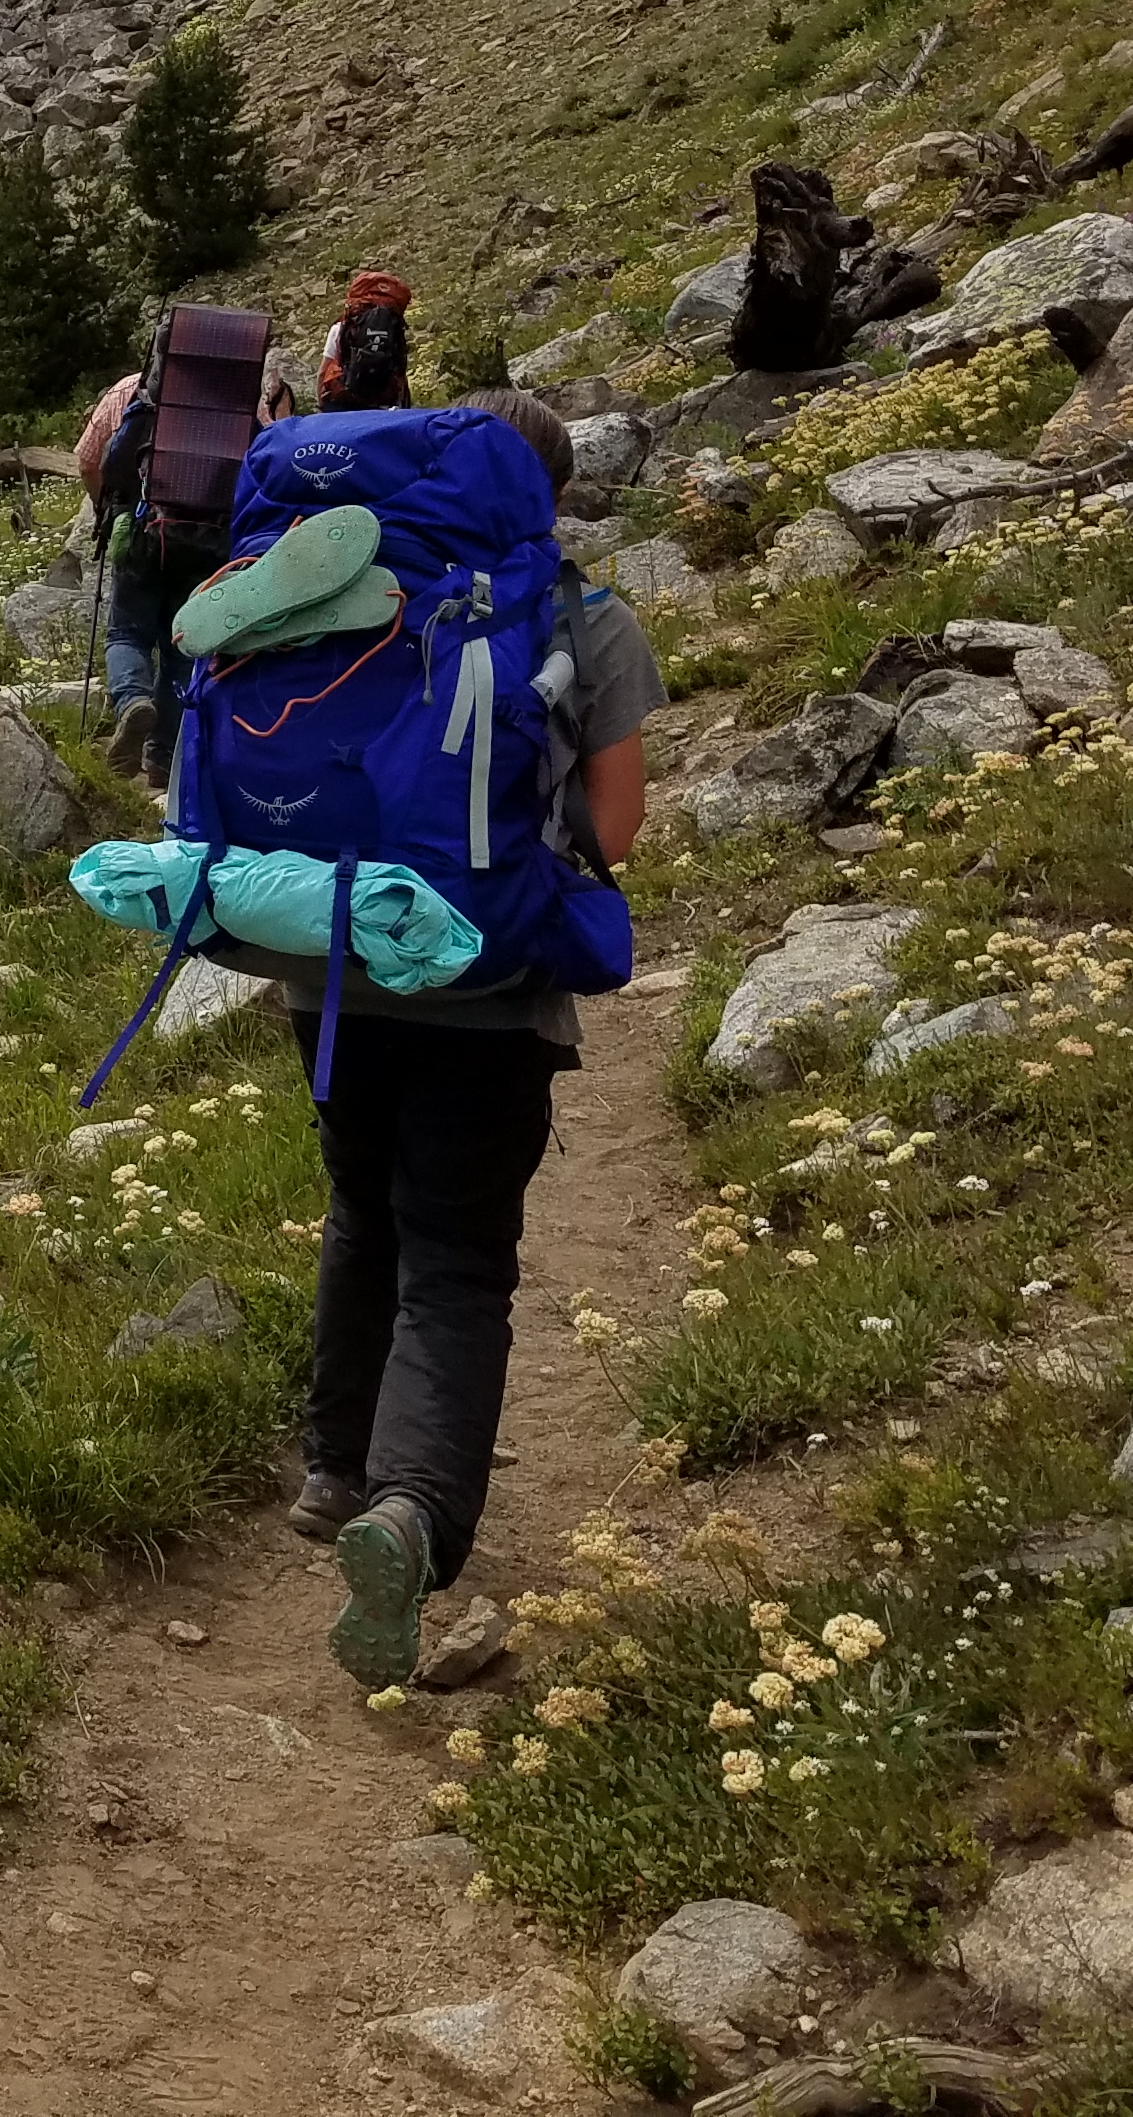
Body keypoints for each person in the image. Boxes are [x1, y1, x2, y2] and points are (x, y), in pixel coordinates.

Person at [291, 387, 658, 1688]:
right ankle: (413, 1510)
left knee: (361, 1211)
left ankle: (334, 1468)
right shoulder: (584, 619)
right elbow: (611, 835)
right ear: (550, 492)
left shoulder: (354, 594)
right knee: (456, 1259)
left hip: (330, 973)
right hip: (491, 996)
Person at [75, 347, 293, 786]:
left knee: (127, 632)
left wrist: (107, 508)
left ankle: (133, 700)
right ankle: (162, 759)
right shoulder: (236, 405)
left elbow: (88, 459)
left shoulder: (129, 392)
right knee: (181, 646)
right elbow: (264, 460)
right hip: (208, 543)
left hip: (142, 534)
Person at [314, 270, 415, 411]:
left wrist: (321, 405)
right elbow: (400, 371)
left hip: (344, 399)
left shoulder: (341, 328)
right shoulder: (392, 328)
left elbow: (322, 373)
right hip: (382, 402)